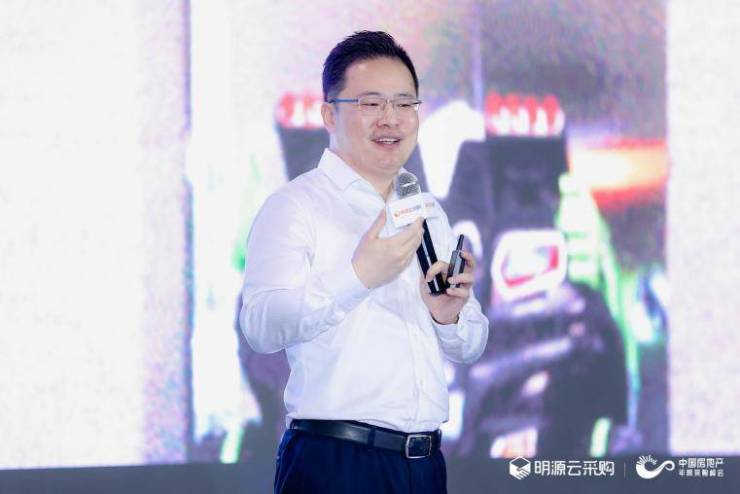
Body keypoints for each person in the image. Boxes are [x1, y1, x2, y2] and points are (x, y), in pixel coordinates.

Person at [240, 31, 489, 494]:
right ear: (329, 115)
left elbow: (470, 346)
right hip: (337, 461)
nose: (390, 118)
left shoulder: (427, 211)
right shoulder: (295, 206)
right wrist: (357, 277)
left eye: (404, 103)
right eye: (371, 104)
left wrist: (449, 317)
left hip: (424, 464)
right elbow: (260, 327)